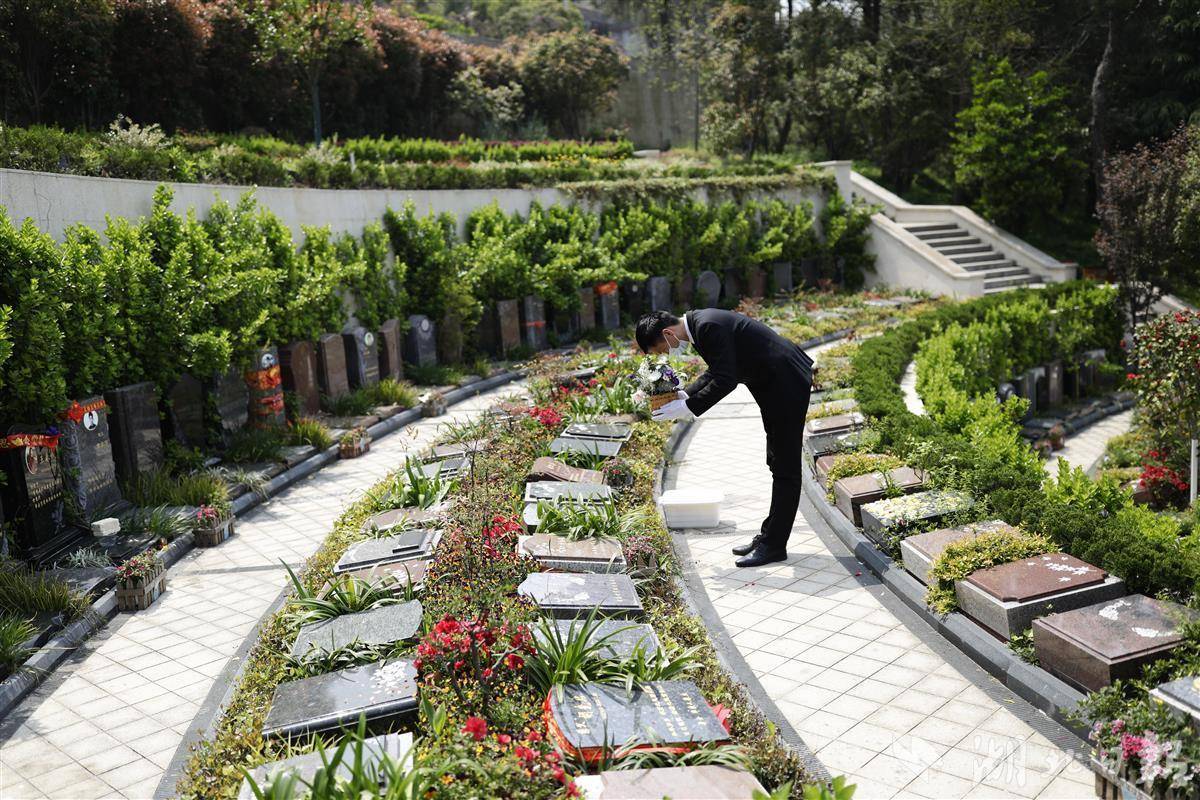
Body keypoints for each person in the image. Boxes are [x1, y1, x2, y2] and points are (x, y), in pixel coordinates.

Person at [635, 309, 813, 567]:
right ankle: (768, 537)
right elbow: (716, 371)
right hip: (774, 383)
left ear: (667, 333)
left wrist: (688, 407)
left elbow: (726, 380)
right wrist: (684, 395)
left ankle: (775, 545)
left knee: (785, 467)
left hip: (786, 381)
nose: (666, 354)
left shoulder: (707, 326)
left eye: (662, 349)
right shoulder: (699, 326)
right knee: (776, 461)